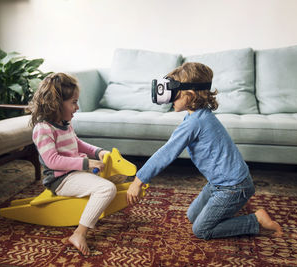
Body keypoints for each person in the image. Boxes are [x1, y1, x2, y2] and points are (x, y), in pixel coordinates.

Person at [127, 62, 283, 240]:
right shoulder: (197, 115)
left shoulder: (195, 123)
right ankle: (225, 214)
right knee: (192, 216)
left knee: (201, 230)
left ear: (191, 94)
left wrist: (138, 181)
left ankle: (256, 220)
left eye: (174, 94)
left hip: (233, 187)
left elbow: (166, 153)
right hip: (219, 183)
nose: (170, 99)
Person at [28, 72, 117, 255]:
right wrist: (85, 163)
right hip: (61, 179)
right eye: (73, 102)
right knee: (107, 189)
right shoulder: (43, 129)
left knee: (118, 174)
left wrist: (98, 152)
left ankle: (93, 202)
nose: (77, 107)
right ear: (56, 104)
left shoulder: (65, 123)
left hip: (75, 172)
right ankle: (79, 233)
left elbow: (78, 143)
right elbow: (52, 161)